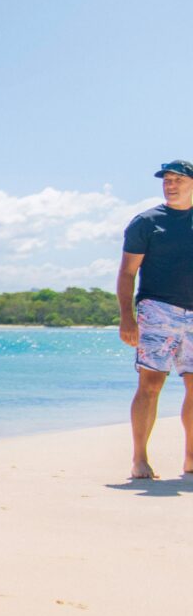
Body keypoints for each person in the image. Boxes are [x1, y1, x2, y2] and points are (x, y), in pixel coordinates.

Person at [117, 159, 193, 480]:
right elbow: (127, 272)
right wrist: (127, 317)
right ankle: (139, 459)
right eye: (167, 180)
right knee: (150, 386)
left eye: (178, 179)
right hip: (156, 310)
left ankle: (190, 459)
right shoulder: (146, 223)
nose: (170, 184)